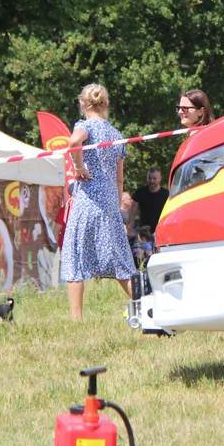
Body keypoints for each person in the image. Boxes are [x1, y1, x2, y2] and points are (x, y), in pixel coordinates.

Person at [59, 84, 137, 320]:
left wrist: (79, 167)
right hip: (109, 203)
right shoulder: (116, 135)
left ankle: (76, 320)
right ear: (106, 105)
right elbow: (120, 178)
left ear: (82, 104)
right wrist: (115, 205)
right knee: (122, 260)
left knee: (75, 258)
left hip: (87, 200)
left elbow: (74, 142)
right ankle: (147, 306)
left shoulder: (83, 125)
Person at [128, 167, 169, 235]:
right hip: (144, 232)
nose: (152, 181)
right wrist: (129, 229)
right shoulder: (140, 192)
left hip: (161, 231)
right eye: (149, 178)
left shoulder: (166, 194)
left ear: (160, 178)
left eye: (154, 178)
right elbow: (133, 212)